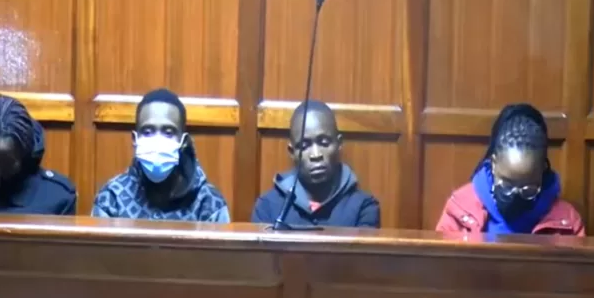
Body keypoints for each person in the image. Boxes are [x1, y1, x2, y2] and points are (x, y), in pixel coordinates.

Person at [435, 103, 584, 235]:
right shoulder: (459, 210)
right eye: (506, 185)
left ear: (542, 171)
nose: (515, 196)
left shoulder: (568, 223)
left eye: (528, 190)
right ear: (493, 164)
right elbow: (440, 264)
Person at [92, 88, 229, 222]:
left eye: (168, 132)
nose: (157, 140)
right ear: (135, 139)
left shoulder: (209, 203)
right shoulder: (112, 198)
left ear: (183, 142)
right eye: (147, 132)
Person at [251, 100, 380, 227]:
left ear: (339, 144)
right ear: (292, 152)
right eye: (304, 146)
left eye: (324, 143)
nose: (316, 154)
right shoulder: (267, 207)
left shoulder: (363, 207)